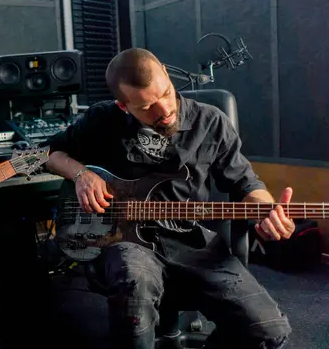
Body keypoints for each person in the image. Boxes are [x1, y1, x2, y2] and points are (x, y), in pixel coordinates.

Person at [45, 48, 293, 349]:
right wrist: (81, 174)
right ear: (124, 106)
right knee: (134, 284)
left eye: (165, 93)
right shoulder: (103, 119)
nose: (163, 110)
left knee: (268, 332)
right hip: (123, 241)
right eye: (147, 106)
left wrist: (266, 213)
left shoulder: (210, 123)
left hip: (190, 240)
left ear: (165, 71)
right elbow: (50, 154)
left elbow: (246, 184)